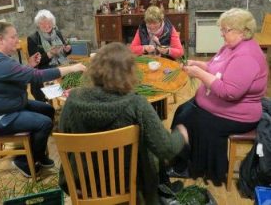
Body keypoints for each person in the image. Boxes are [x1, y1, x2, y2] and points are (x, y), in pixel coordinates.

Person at [58, 42, 189, 204]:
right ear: (129, 73)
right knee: (152, 150)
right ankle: (164, 190)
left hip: (84, 185)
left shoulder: (73, 100)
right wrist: (181, 135)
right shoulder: (136, 104)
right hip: (129, 185)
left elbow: (63, 139)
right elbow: (166, 149)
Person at [0, 22, 86, 178]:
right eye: (13, 37)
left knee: (48, 109)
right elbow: (36, 77)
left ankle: (37, 154)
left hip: (9, 106)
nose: (17, 41)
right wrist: (72, 68)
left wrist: (29, 66)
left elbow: (17, 76)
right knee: (44, 123)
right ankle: (25, 162)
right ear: (0, 39)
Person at [169, 8, 268, 185]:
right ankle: (183, 159)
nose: (222, 34)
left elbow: (229, 92)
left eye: (226, 30)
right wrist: (197, 64)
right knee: (182, 111)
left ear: (243, 31)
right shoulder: (230, 47)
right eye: (221, 29)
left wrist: (198, 73)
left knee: (190, 120)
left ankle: (192, 166)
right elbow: (215, 67)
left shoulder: (247, 56)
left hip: (238, 115)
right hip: (220, 106)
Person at [27, 9, 72, 101]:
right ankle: (57, 98)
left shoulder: (57, 33)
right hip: (45, 68)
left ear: (53, 22)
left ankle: (70, 98)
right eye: (43, 23)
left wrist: (67, 50)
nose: (47, 25)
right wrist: (50, 54)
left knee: (77, 73)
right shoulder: (33, 39)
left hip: (61, 64)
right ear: (38, 25)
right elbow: (36, 63)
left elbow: (65, 52)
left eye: (49, 22)